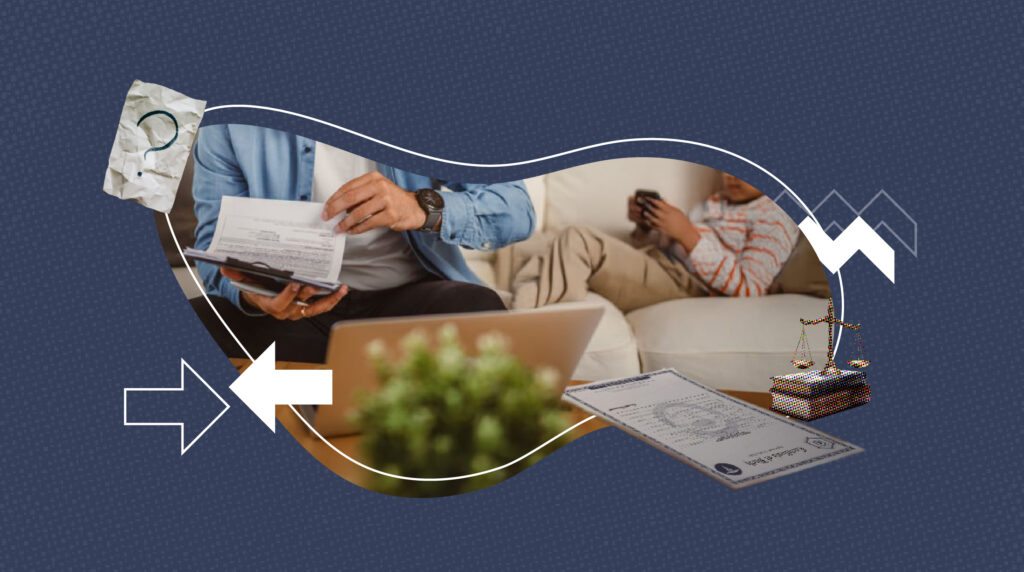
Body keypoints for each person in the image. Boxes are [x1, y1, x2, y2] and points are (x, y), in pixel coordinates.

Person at [190, 124, 535, 362]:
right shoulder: (229, 120)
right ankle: (351, 395)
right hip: (296, 313)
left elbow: (516, 208)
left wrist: (418, 206)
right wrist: (253, 295)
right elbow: (212, 246)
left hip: (406, 305)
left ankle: (325, 395)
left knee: (477, 313)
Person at [511, 172, 798, 313]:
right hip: (661, 263)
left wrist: (687, 233)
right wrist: (649, 226)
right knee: (527, 245)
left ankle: (523, 319)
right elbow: (672, 246)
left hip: (688, 285)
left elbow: (750, 287)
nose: (732, 176)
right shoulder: (717, 202)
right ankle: (512, 307)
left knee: (578, 240)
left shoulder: (775, 216)